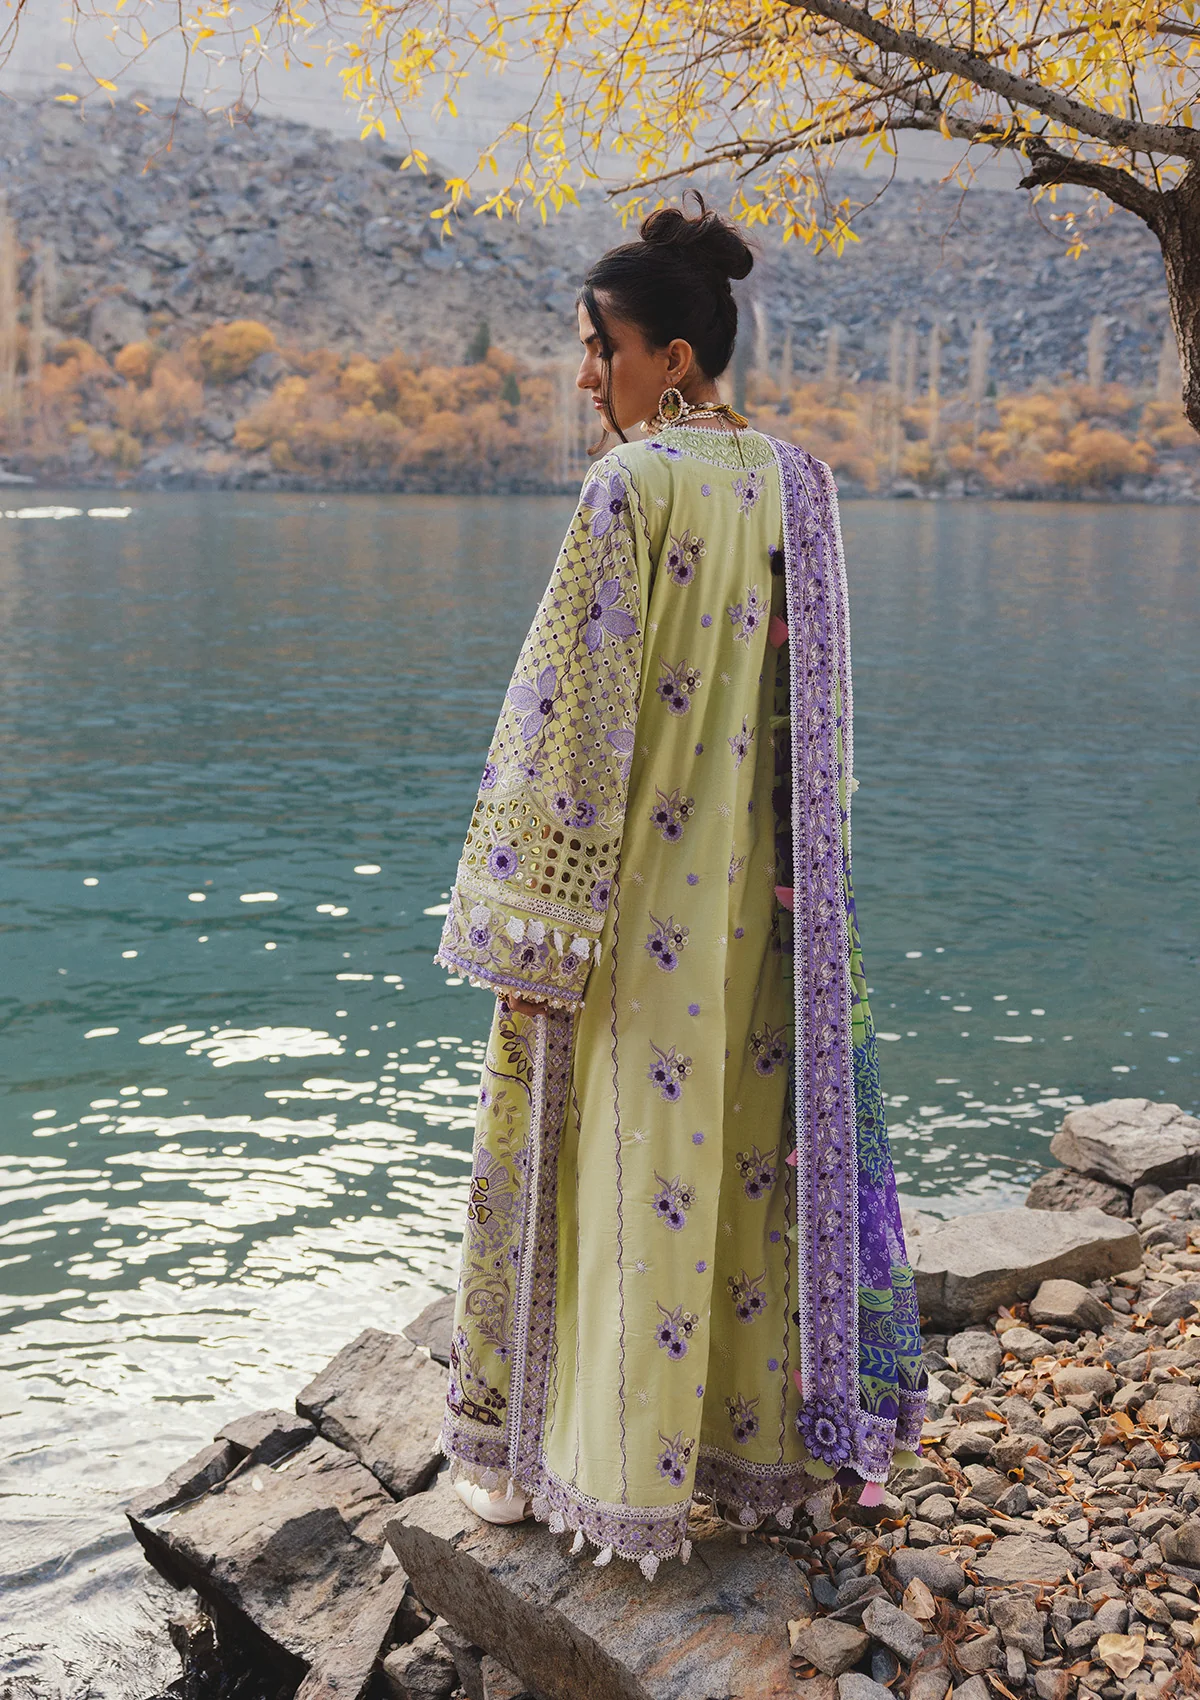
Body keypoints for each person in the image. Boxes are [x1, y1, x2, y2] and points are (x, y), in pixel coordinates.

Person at [434, 197, 926, 1579]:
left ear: (675, 360)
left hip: (630, 910)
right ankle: (757, 1456)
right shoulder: (801, 486)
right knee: (743, 1166)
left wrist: (524, 912)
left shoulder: (628, 489)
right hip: (765, 913)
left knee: (608, 1173)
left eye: (602, 346)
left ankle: (571, 1467)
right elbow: (813, 720)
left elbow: (568, 718)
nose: (586, 373)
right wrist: (801, 890)